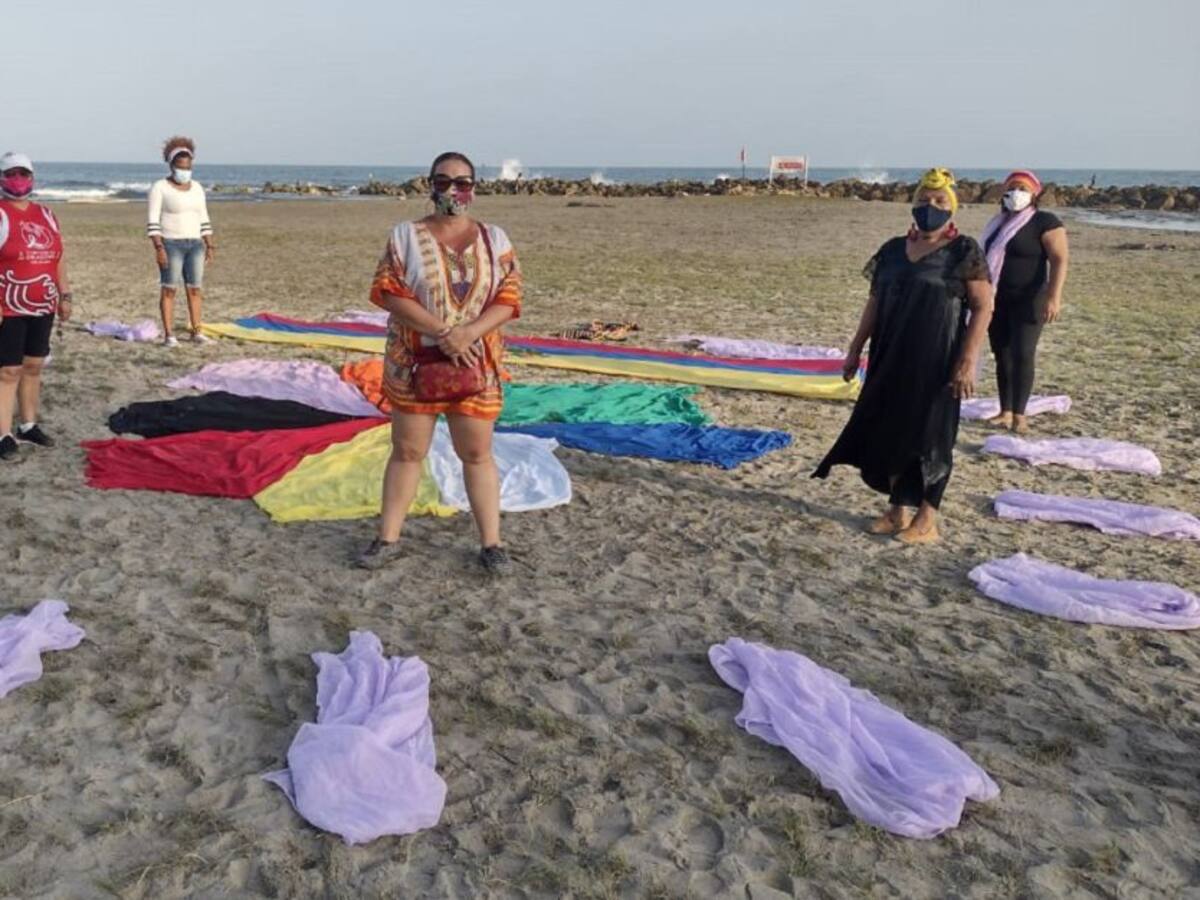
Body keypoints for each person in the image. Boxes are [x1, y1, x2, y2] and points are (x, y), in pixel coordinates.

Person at [358, 151, 522, 573]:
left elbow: (510, 296)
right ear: (429, 184)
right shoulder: (404, 236)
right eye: (443, 181)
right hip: (415, 362)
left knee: (477, 452)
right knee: (408, 450)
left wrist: (468, 333)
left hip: (476, 362)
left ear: (474, 187)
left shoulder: (495, 239)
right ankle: (387, 538)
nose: (452, 191)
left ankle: (491, 544)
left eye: (462, 183)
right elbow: (389, 291)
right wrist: (445, 331)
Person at [813, 168, 993, 544]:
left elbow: (983, 307)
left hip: (937, 358)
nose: (931, 207)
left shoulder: (964, 251)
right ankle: (896, 512)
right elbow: (874, 302)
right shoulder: (893, 251)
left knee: (931, 437)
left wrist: (967, 360)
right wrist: (855, 348)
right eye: (924, 201)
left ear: (953, 208)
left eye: (940, 201)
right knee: (889, 428)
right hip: (889, 353)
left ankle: (927, 520)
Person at [979, 169, 1068, 433]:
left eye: (1022, 188)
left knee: (1023, 353)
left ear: (1034, 193)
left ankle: (1020, 414)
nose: (1015, 193)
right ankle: (1004, 410)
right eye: (1011, 188)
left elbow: (1059, 259)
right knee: (1002, 354)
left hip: (1030, 299)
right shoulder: (998, 223)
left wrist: (1054, 296)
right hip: (997, 298)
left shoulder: (1045, 221)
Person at [0, 152, 71, 460]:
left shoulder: (46, 214)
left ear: (32, 178)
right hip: (9, 305)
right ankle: (3, 433)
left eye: (24, 173)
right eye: (12, 173)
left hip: (43, 305)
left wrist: (65, 294)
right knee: (8, 371)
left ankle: (28, 424)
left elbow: (58, 258)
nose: (19, 179)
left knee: (33, 366)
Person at [147, 136, 215, 346]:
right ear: (172, 165)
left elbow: (203, 217)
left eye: (188, 166)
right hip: (171, 244)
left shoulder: (197, 188)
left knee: (195, 288)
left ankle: (197, 331)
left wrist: (209, 243)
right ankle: (169, 335)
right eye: (180, 166)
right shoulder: (160, 187)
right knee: (169, 289)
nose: (185, 170)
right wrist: (159, 247)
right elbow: (152, 221)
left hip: (195, 244)